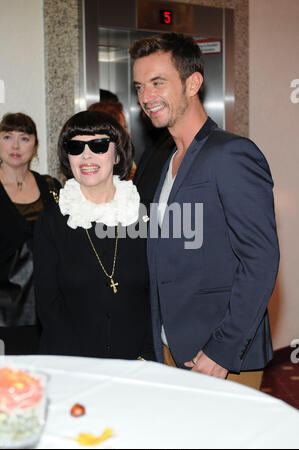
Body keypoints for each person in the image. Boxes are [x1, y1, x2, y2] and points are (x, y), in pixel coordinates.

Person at [130, 32, 279, 389]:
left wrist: (221, 352)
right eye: (139, 86)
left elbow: (260, 260)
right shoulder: (161, 158)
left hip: (219, 358)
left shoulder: (232, 154)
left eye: (158, 83)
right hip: (167, 349)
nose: (146, 97)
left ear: (193, 82)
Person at [33, 110, 154, 360]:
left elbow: (156, 298)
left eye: (99, 145)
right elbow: (48, 306)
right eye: (76, 147)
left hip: (137, 363)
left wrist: (146, 357)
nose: (86, 155)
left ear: (118, 154)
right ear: (68, 157)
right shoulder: (52, 222)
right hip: (71, 363)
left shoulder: (144, 215)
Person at [0, 112, 61, 354]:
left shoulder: (51, 186)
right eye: (7, 136)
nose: (15, 145)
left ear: (35, 146)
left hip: (50, 309)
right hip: (5, 313)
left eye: (24, 138)